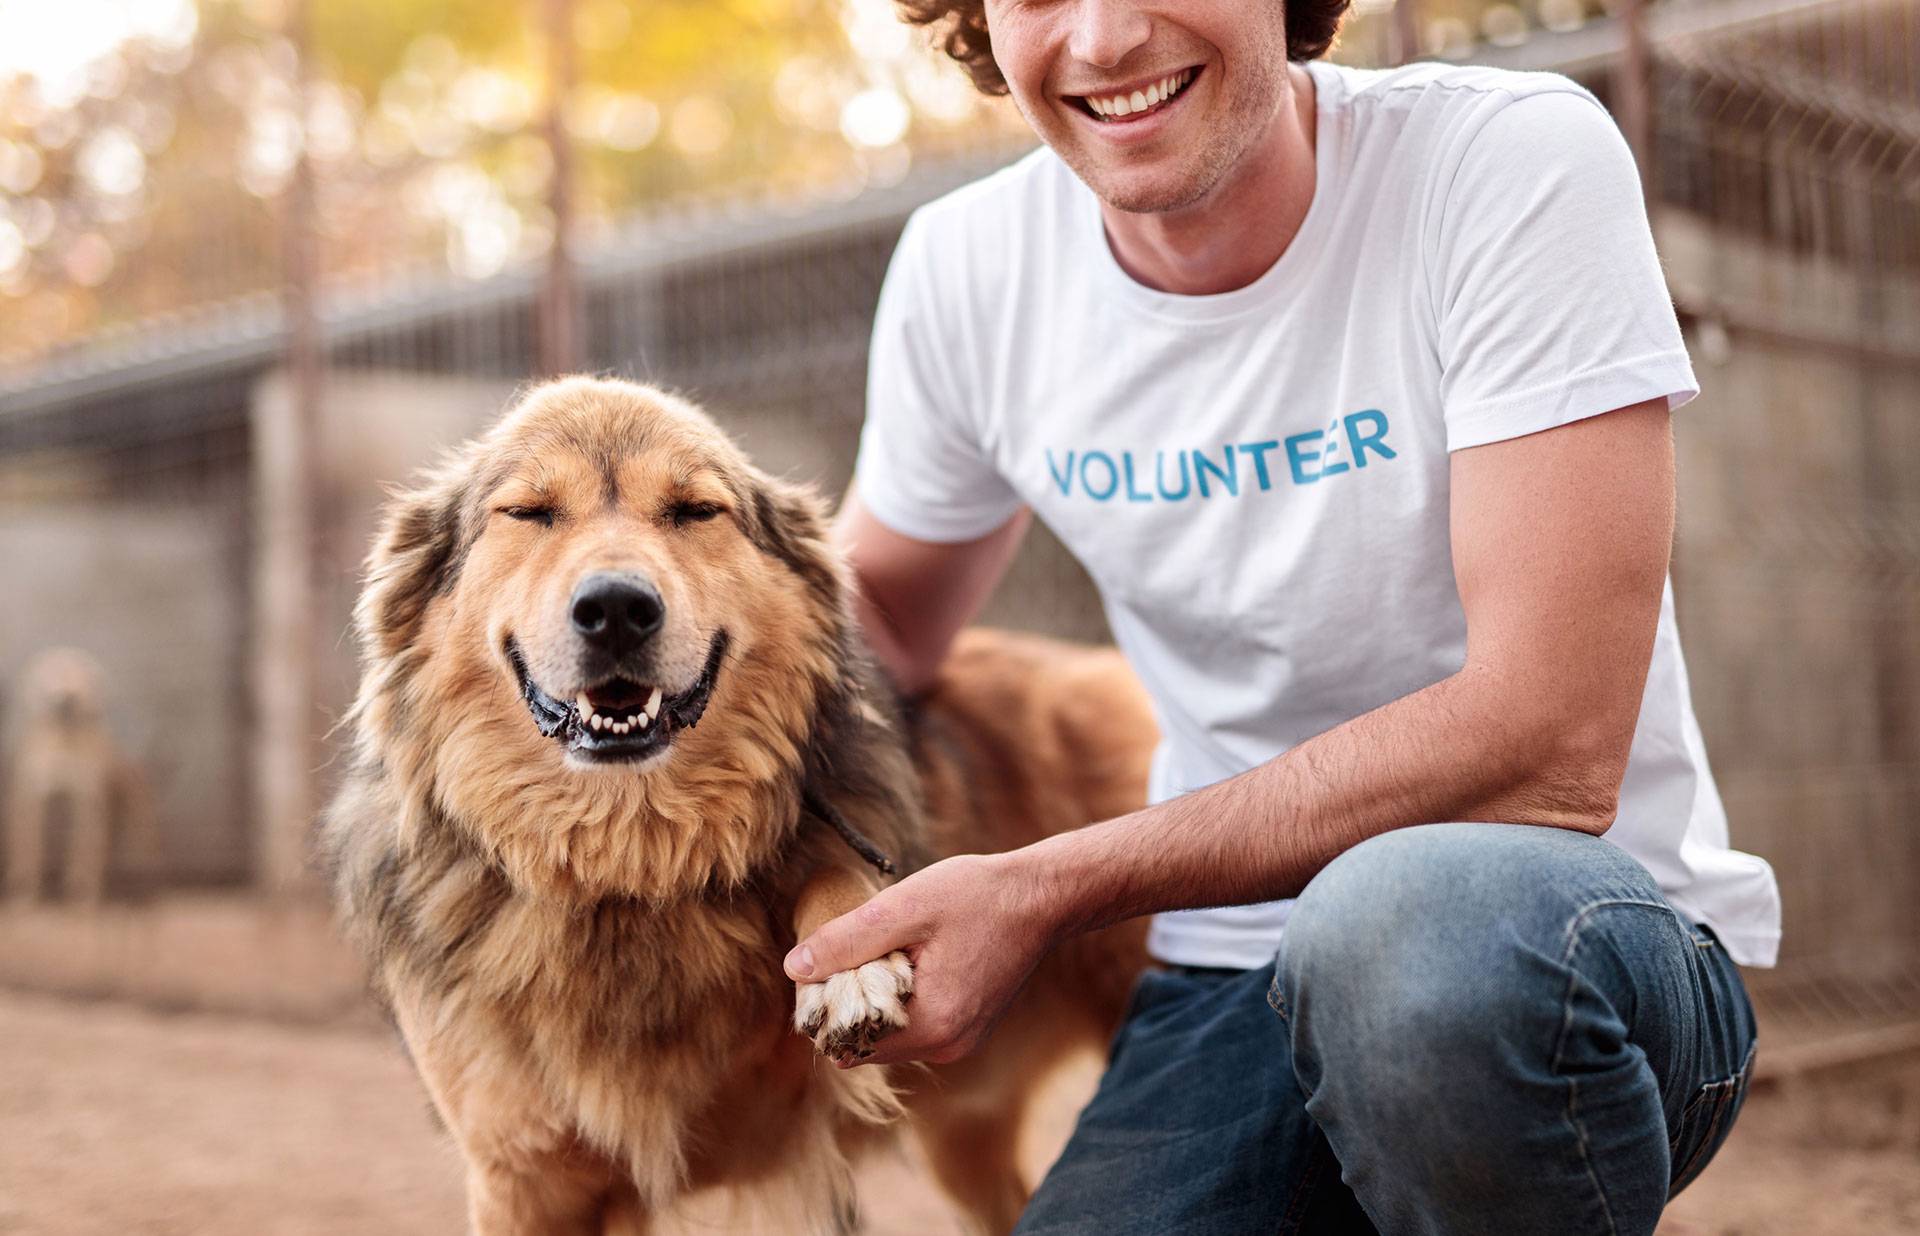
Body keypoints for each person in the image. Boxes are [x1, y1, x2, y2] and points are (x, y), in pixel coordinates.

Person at [780, 1, 1782, 1230]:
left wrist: (1041, 888)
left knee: (1409, 932)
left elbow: (1552, 743)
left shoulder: (1505, 162)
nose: (1099, 40)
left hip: (1562, 949)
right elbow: (871, 630)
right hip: (1223, 980)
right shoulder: (967, 270)